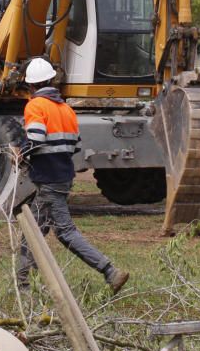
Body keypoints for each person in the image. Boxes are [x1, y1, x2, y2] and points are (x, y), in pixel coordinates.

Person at [17, 57, 129, 294]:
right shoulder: (66, 109)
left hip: (49, 179)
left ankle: (109, 271)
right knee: (33, 232)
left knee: (65, 233)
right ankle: (24, 285)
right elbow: (75, 144)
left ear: (31, 85)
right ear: (50, 80)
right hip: (62, 177)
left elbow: (35, 139)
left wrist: (21, 153)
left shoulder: (35, 106)